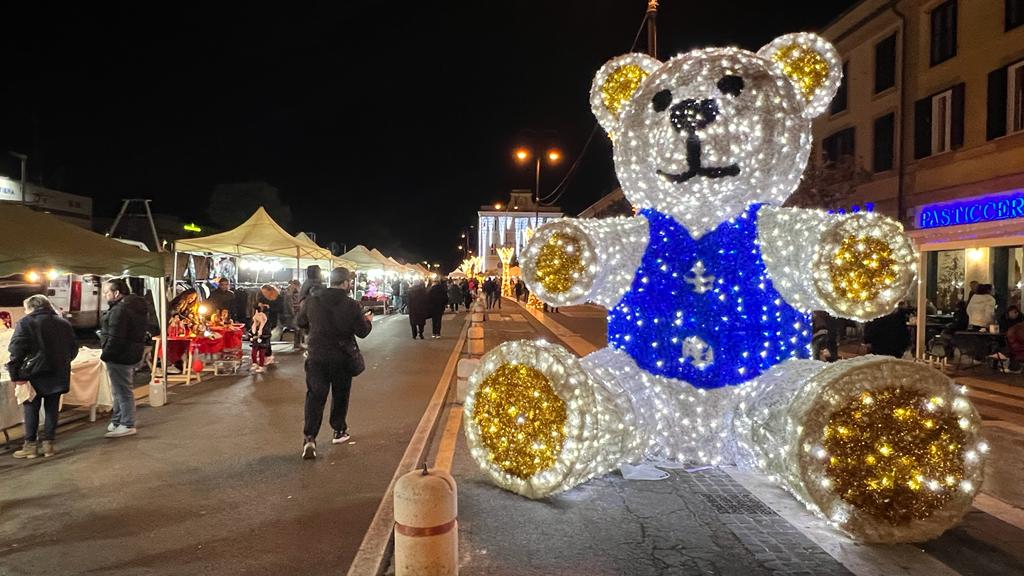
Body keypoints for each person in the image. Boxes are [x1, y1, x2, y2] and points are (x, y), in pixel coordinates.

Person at [295, 267, 372, 459]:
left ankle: (310, 437)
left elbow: (300, 322)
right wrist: (368, 320)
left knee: (315, 396)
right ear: (345, 283)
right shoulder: (352, 305)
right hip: (342, 357)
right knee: (340, 395)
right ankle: (339, 431)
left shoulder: (313, 300)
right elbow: (362, 332)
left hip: (317, 356)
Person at [6, 295, 76, 458]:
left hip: (33, 373)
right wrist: (62, 362)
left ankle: (30, 446)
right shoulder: (63, 323)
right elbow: (73, 349)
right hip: (58, 372)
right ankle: (48, 445)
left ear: (31, 307)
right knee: (52, 409)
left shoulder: (26, 323)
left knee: (31, 408)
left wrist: (15, 374)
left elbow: (16, 350)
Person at [100, 278, 148, 438]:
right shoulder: (134, 306)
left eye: (107, 292)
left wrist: (106, 353)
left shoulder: (120, 310)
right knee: (119, 389)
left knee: (122, 390)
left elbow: (116, 336)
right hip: (130, 352)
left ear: (117, 293)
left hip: (119, 355)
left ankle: (127, 423)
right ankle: (117, 420)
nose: (105, 295)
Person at [258, 284, 283, 365]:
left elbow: (280, 309)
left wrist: (268, 308)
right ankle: (266, 354)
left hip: (272, 319)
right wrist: (259, 306)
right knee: (264, 337)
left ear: (271, 291)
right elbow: (256, 305)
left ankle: (267, 355)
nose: (264, 294)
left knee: (266, 336)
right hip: (262, 319)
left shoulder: (278, 298)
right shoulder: (262, 297)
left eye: (265, 292)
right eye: (263, 292)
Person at [250, 303, 270, 373]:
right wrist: (251, 336)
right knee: (253, 353)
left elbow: (268, 334)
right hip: (255, 342)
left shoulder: (265, 326)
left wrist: (260, 337)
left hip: (263, 343)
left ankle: (261, 366)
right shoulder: (254, 326)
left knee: (262, 355)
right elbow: (251, 332)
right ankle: (254, 363)